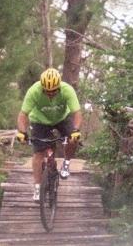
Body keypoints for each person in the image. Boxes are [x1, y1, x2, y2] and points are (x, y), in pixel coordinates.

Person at [16, 68, 82, 201]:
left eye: (54, 91)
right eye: (47, 91)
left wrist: (75, 130)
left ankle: (67, 163)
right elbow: (23, 115)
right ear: (42, 87)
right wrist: (22, 132)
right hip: (40, 121)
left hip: (62, 119)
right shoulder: (34, 91)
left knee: (73, 139)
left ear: (59, 87)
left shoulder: (67, 90)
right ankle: (37, 188)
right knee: (38, 154)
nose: (50, 94)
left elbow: (77, 113)